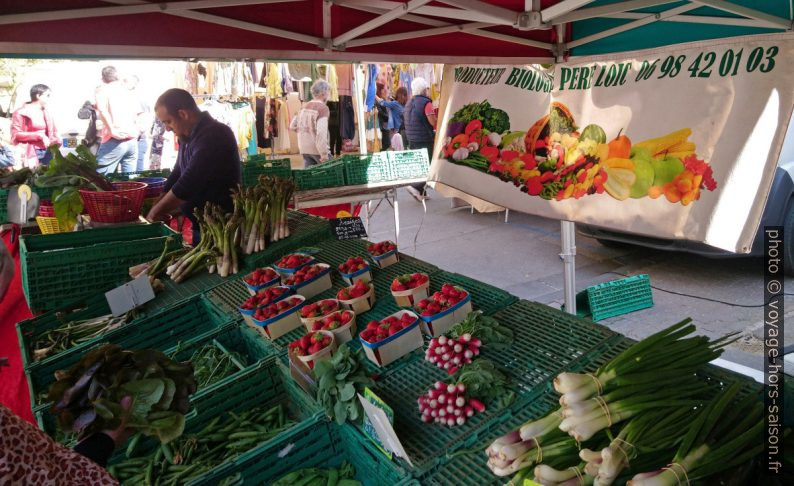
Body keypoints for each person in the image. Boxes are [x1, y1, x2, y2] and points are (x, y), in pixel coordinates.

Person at [146, 88, 241, 245]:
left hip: (222, 226)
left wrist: (155, 212)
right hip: (202, 224)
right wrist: (161, 197)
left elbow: (189, 181)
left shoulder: (214, 134)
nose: (167, 128)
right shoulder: (188, 135)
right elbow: (178, 171)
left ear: (183, 114)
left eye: (168, 121)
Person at [94, 66, 141, 174]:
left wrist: (111, 130)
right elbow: (138, 113)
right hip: (132, 140)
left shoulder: (103, 89)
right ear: (117, 76)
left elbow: (102, 110)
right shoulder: (127, 90)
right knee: (130, 182)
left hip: (115, 139)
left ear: (103, 78)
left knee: (101, 179)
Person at [10, 84, 60, 167]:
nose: (49, 98)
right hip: (30, 152)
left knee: (49, 178)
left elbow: (53, 131)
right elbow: (16, 135)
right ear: (38, 96)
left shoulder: (47, 112)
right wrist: (39, 136)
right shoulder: (20, 112)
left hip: (48, 151)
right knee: (32, 177)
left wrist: (57, 140)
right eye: (47, 95)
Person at [404, 77, 436, 199]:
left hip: (411, 139)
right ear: (423, 90)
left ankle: (421, 193)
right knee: (428, 164)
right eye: (427, 89)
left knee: (418, 165)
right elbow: (432, 122)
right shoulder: (426, 103)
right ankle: (415, 186)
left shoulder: (408, 103)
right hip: (423, 138)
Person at [290, 80, 331, 168]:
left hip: (304, 148)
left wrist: (303, 131)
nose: (328, 94)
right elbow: (321, 133)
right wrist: (324, 155)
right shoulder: (323, 108)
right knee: (332, 176)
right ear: (323, 93)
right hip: (317, 150)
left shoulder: (304, 106)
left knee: (310, 177)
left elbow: (292, 126)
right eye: (328, 91)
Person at [124, 75, 152, 171]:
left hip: (138, 140)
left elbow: (145, 120)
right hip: (127, 140)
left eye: (126, 81)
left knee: (136, 173)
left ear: (134, 84)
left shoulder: (140, 99)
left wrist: (136, 133)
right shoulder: (123, 98)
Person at [378, 86, 407, 151]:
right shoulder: (406, 105)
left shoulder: (395, 104)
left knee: (395, 149)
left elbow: (382, 103)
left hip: (396, 131)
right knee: (403, 148)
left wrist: (375, 96)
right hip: (405, 130)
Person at [375, 83, 391, 150]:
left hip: (385, 125)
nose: (384, 90)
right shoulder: (377, 100)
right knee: (385, 145)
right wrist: (389, 117)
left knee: (386, 145)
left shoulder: (381, 99)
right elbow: (380, 112)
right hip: (382, 126)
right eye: (383, 89)